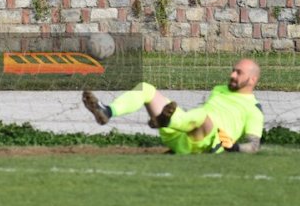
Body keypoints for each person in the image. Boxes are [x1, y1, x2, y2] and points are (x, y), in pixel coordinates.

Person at [83, 58, 263, 154]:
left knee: (201, 114)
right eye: (233, 70)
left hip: (206, 141)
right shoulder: (220, 89)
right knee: (145, 88)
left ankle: (165, 120)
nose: (232, 74)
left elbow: (254, 146)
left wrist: (235, 148)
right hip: (181, 129)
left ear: (252, 79)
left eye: (238, 72)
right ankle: (107, 111)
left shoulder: (254, 109)